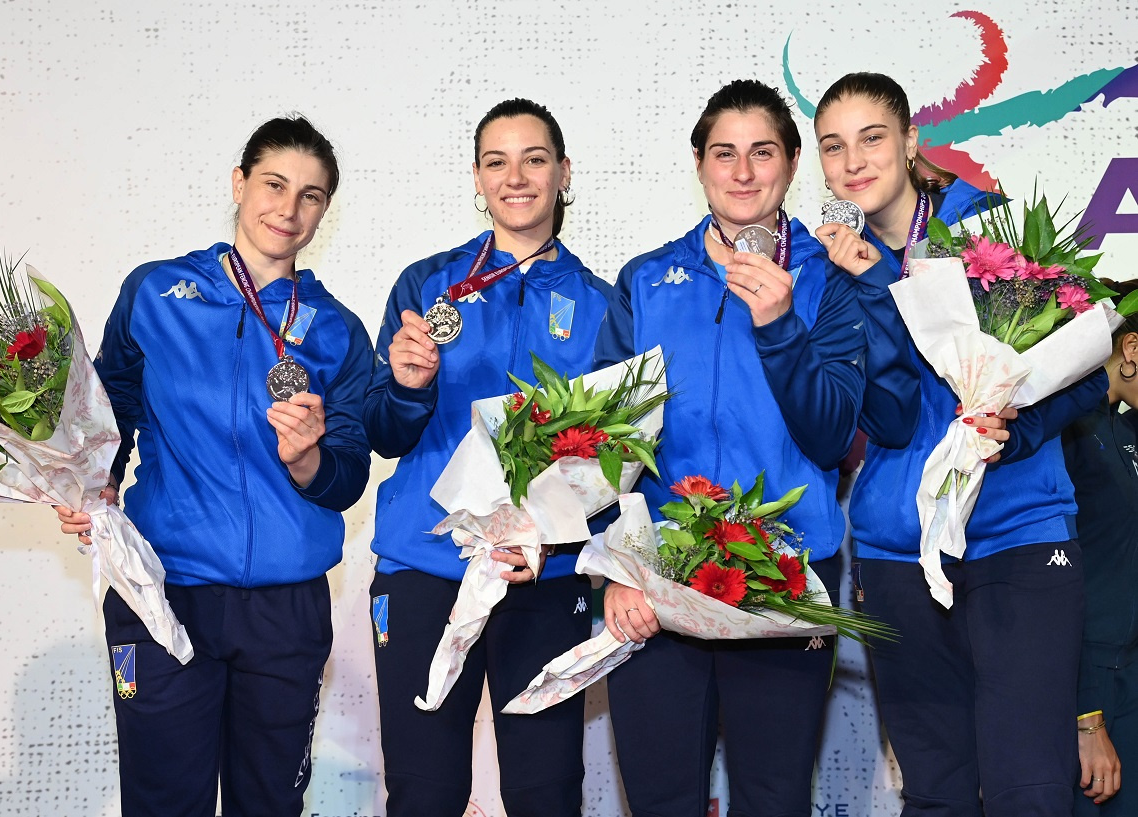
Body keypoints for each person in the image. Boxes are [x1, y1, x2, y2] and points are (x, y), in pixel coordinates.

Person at [594, 78, 914, 817]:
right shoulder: (645, 280)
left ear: (793, 163)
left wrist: (776, 325)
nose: (742, 173)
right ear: (699, 165)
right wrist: (615, 571)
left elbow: (832, 434)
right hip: (661, 581)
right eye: (723, 153)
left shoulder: (832, 275)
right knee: (660, 798)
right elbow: (604, 451)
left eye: (761, 152)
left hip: (783, 577)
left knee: (773, 800)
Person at [55, 115, 373, 816]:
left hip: (286, 608)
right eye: (273, 184)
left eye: (311, 195)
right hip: (162, 590)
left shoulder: (338, 330)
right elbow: (110, 415)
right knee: (165, 800)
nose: (288, 209)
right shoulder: (155, 293)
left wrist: (308, 459)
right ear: (239, 182)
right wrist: (91, 484)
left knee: (269, 805)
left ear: (326, 209)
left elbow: (349, 476)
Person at [815, 71, 1107, 816]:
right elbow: (886, 419)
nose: (853, 161)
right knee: (936, 793)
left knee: (1029, 791)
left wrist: (1018, 432)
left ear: (911, 141)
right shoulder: (833, 271)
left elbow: (1084, 370)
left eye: (871, 138)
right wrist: (879, 284)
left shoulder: (994, 236)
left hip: (1016, 536)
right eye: (833, 146)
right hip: (895, 550)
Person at [362, 98, 610, 816]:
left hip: (543, 573)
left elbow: (616, 461)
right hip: (424, 567)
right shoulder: (425, 283)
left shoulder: (600, 303)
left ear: (563, 173)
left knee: (546, 792)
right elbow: (383, 429)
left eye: (534, 159)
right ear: (476, 177)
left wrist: (552, 535)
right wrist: (408, 387)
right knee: (424, 790)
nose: (516, 177)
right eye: (496, 162)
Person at [1063, 280, 1138, 814]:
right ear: (1130, 351)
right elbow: (1052, 586)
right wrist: (1087, 715)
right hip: (1090, 684)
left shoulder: (1125, 432)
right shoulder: (1061, 432)